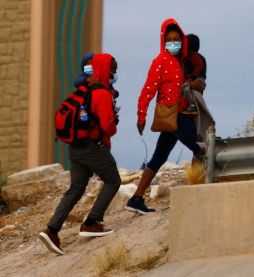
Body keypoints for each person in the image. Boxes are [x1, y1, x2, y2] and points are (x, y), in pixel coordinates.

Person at [38, 53, 121, 255]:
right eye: (112, 70)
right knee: (113, 180)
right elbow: (107, 127)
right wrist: (113, 123)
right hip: (90, 147)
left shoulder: (83, 90)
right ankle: (92, 222)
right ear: (104, 70)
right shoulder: (102, 94)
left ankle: (52, 230)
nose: (113, 75)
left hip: (75, 147)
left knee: (75, 189)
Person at [126, 18, 203, 214]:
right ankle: (200, 191)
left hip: (180, 113)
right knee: (200, 148)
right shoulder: (160, 61)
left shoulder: (182, 61)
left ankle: (136, 199)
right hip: (173, 114)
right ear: (163, 41)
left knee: (159, 157)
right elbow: (148, 90)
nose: (173, 43)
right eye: (169, 40)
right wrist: (141, 115)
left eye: (177, 39)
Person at [182, 33, 215, 142]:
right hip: (197, 82)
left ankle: (192, 105)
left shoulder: (195, 57)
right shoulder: (191, 57)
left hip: (197, 80)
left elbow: (198, 67)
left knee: (187, 90)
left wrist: (191, 77)